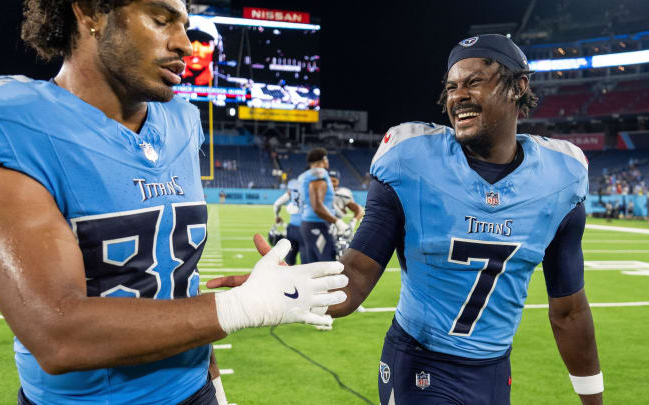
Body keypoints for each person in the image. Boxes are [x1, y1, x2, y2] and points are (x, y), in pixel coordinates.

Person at [0, 1, 347, 404]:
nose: (186, 43)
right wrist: (244, 305)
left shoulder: (181, 119)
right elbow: (57, 334)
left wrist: (213, 383)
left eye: (184, 23)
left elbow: (179, 279)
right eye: (161, 18)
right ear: (90, 11)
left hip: (195, 390)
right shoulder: (13, 128)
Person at [210, 34, 603, 405]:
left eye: (474, 82)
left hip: (495, 370)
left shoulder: (560, 176)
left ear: (518, 87)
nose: (458, 96)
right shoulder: (410, 159)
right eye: (451, 87)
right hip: (421, 364)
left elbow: (569, 309)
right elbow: (358, 275)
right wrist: (284, 288)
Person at [297, 148, 348, 264]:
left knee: (313, 265)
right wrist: (337, 221)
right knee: (328, 264)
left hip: (308, 223)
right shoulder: (320, 174)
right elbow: (317, 206)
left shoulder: (303, 176)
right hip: (317, 224)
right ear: (324, 160)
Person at [272, 178, 304, 265]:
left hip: (292, 227)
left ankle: (288, 278)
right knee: (307, 260)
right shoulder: (315, 186)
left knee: (289, 259)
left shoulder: (294, 187)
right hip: (306, 228)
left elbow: (277, 203)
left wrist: (277, 216)